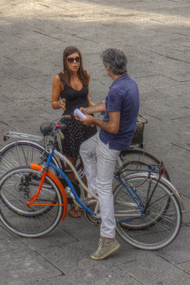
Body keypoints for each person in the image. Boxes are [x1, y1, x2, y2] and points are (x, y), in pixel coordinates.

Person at [78, 47, 139, 261]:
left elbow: (112, 127)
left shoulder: (116, 90)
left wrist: (93, 121)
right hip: (120, 136)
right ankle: (93, 190)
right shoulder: (129, 83)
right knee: (85, 149)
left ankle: (108, 237)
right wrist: (90, 110)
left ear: (108, 68)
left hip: (112, 141)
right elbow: (110, 106)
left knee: (105, 188)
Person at [51, 46, 96, 216]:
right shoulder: (59, 79)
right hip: (70, 125)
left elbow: (87, 98)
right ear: (65, 61)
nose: (75, 63)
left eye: (77, 59)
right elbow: (53, 102)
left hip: (86, 123)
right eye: (71, 60)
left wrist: (96, 107)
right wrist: (59, 104)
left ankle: (88, 199)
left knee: (87, 163)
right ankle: (74, 203)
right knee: (70, 165)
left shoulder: (86, 75)